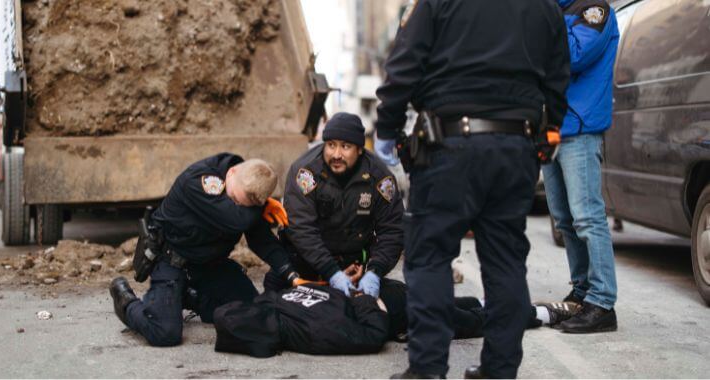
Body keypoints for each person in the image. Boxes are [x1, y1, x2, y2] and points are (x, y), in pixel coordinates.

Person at [373, 0, 570, 378]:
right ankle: (500, 369)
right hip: (516, 145)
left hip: (449, 146)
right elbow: (559, 75)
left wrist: (387, 127)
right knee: (506, 263)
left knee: (430, 258)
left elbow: (405, 63)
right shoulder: (546, 7)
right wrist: (549, 130)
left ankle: (428, 370)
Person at [108, 154, 299, 347]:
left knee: (252, 311)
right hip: (172, 263)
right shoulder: (200, 180)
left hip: (210, 266)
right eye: (235, 200)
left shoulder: (245, 196)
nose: (240, 206)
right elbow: (236, 220)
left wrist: (291, 275)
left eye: (247, 206)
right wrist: (263, 205)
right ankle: (127, 303)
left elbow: (262, 240)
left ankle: (188, 297)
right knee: (164, 333)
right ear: (231, 172)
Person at [263, 112, 404, 316]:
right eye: (331, 145)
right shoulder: (305, 172)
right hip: (307, 264)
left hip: (353, 266)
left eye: (345, 146)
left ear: (359, 149)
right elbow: (301, 229)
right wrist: (332, 273)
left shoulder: (379, 177)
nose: (336, 154)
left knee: (390, 307)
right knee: (273, 304)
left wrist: (375, 271)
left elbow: (393, 229)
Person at [213, 280, 577, 359]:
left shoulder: (273, 303)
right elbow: (372, 336)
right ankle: (539, 313)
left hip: (390, 299)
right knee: (465, 319)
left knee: (459, 313)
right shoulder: (311, 331)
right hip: (393, 309)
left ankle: (520, 308)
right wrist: (366, 300)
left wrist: (350, 284)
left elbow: (317, 288)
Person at [543, 0, 620, 334]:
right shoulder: (555, 12)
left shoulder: (595, 10)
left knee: (588, 216)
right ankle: (582, 291)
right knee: (564, 220)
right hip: (551, 130)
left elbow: (573, 56)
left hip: (581, 127)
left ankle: (602, 302)